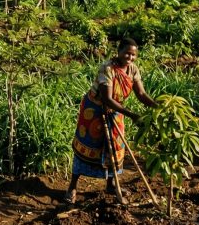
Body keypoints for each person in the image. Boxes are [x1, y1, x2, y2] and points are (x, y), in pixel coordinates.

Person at [64, 38, 157, 204]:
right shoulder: (107, 68)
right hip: (95, 109)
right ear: (119, 51)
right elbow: (107, 98)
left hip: (116, 110)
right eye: (127, 53)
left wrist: (158, 107)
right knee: (88, 147)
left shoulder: (133, 70)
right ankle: (73, 186)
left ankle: (111, 183)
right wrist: (132, 114)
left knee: (115, 147)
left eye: (133, 54)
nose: (129, 57)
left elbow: (141, 94)